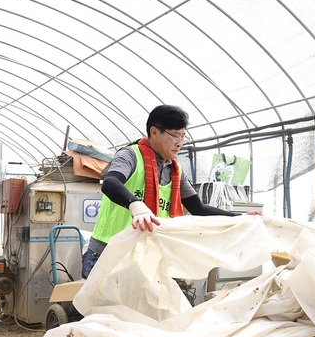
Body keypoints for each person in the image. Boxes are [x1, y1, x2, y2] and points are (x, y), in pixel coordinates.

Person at [82, 104, 238, 279]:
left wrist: (240, 219)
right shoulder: (130, 155)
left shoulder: (175, 171)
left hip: (146, 254)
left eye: (183, 136)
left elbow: (198, 208)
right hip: (108, 251)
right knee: (103, 306)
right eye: (174, 135)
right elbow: (110, 183)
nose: (179, 142)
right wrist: (136, 205)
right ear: (154, 132)